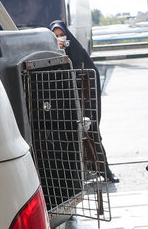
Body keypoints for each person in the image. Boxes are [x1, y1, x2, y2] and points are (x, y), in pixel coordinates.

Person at [50, 20, 119, 183]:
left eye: (61, 35)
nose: (60, 39)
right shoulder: (50, 56)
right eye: (55, 37)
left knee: (92, 135)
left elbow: (91, 75)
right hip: (63, 108)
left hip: (82, 105)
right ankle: (72, 178)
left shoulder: (77, 52)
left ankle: (104, 170)